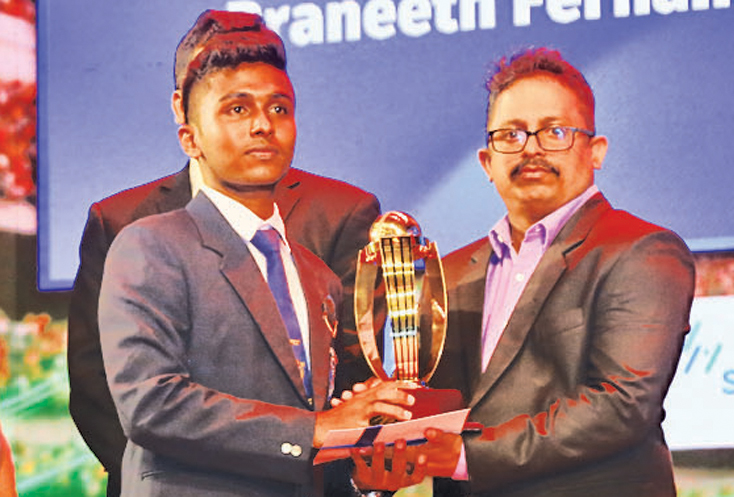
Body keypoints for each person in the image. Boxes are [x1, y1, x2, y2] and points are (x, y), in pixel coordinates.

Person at [94, 10, 413, 497]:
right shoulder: (149, 245)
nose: (263, 125)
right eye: (237, 109)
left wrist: (361, 473)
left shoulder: (317, 277)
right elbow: (149, 404)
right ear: (190, 138)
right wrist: (317, 430)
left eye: (279, 108)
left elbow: (313, 436)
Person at [355, 47, 696, 496]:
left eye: (554, 131)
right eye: (511, 135)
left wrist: (464, 455)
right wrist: (379, 452)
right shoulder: (451, 273)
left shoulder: (641, 252)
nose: (531, 148)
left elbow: (621, 405)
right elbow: (444, 407)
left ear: (596, 151)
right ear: (487, 162)